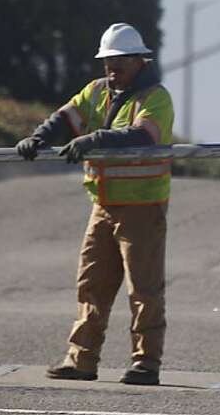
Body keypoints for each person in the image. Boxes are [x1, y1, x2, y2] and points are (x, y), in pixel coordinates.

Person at [16, 23, 174, 385]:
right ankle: (82, 359)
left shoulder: (155, 98)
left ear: (139, 61)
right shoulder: (96, 92)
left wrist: (94, 138)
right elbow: (64, 118)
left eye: (120, 61)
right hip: (103, 205)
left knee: (144, 288)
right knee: (91, 284)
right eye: (107, 61)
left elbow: (142, 135)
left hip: (142, 208)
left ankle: (146, 363)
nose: (112, 68)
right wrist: (38, 139)